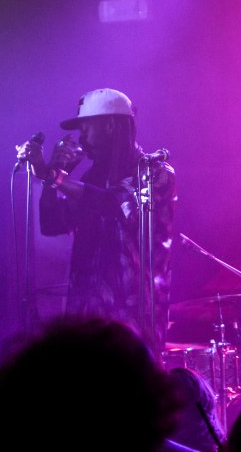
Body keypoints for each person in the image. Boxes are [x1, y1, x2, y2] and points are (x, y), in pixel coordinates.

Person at [34, 88, 176, 349]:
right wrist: (54, 176)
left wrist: (56, 178)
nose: (82, 138)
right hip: (86, 316)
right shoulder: (91, 178)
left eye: (87, 128)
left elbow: (115, 204)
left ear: (110, 125)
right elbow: (52, 224)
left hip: (134, 319)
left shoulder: (155, 172)